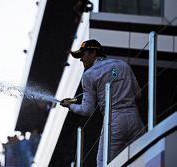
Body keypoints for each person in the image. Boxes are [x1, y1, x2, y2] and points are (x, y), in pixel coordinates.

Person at [60, 39, 145, 167]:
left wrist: (70, 106)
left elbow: (87, 110)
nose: (81, 59)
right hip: (134, 118)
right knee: (142, 157)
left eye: (83, 54)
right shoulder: (122, 65)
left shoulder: (88, 75)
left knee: (103, 163)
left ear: (94, 52)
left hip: (114, 120)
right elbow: (138, 94)